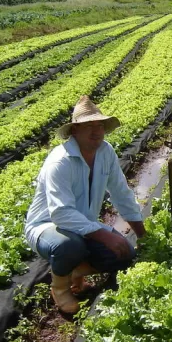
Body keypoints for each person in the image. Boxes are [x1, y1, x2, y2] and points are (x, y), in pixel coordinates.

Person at [25, 95, 145, 313]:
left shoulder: (105, 151)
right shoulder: (60, 161)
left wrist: (142, 234)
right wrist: (103, 233)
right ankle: (60, 289)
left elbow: (121, 192)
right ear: (74, 131)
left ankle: (74, 272)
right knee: (69, 246)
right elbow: (61, 214)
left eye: (99, 125)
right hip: (47, 227)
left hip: (84, 226)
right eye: (88, 126)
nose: (96, 131)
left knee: (125, 253)